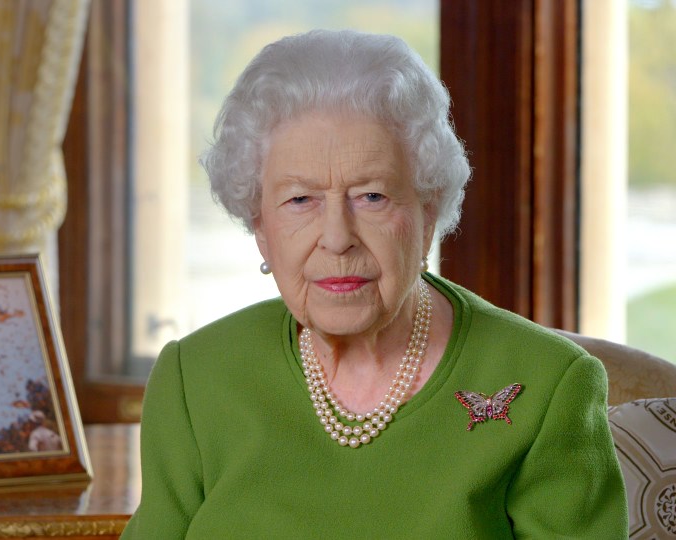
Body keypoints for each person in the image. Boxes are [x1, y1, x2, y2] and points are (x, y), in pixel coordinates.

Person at [121, 30, 627, 538]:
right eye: (300, 200)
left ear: (428, 213)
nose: (337, 238)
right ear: (260, 228)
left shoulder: (548, 386)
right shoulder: (195, 380)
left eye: (372, 196)